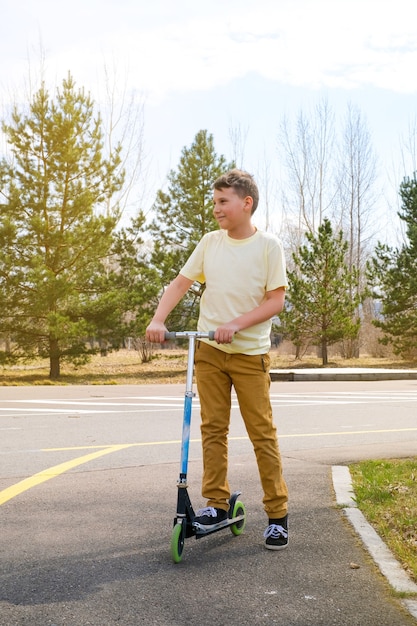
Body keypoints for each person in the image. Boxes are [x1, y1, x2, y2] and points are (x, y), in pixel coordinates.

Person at [146, 169, 289, 550]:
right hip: (209, 351)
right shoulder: (210, 243)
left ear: (247, 203)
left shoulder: (268, 247)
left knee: (262, 434)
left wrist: (236, 324)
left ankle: (277, 514)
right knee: (213, 429)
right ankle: (216, 505)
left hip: (249, 354)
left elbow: (276, 300)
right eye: (214, 202)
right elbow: (181, 283)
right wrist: (159, 319)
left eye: (223, 202)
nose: (216, 209)